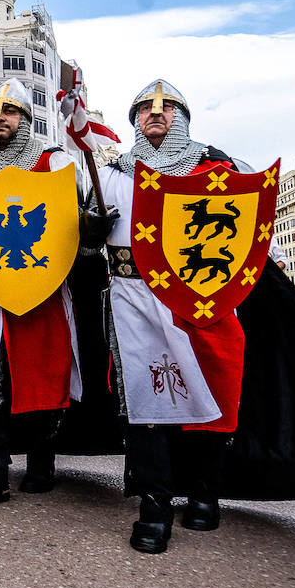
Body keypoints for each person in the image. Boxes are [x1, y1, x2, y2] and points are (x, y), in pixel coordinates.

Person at [96, 79, 244, 553]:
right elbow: (72, 229)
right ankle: (155, 505)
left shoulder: (219, 167)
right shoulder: (111, 173)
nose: (155, 114)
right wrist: (86, 227)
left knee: (211, 396)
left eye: (166, 108)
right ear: (133, 120)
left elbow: (247, 232)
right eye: (144, 108)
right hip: (133, 296)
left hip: (197, 300)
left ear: (182, 118)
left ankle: (205, 493)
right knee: (147, 402)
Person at [0, 79, 103, 510]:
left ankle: (41, 460)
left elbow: (79, 225)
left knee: (40, 376)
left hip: (42, 284)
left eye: (10, 110)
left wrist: (91, 227)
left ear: (26, 119)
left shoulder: (53, 162)